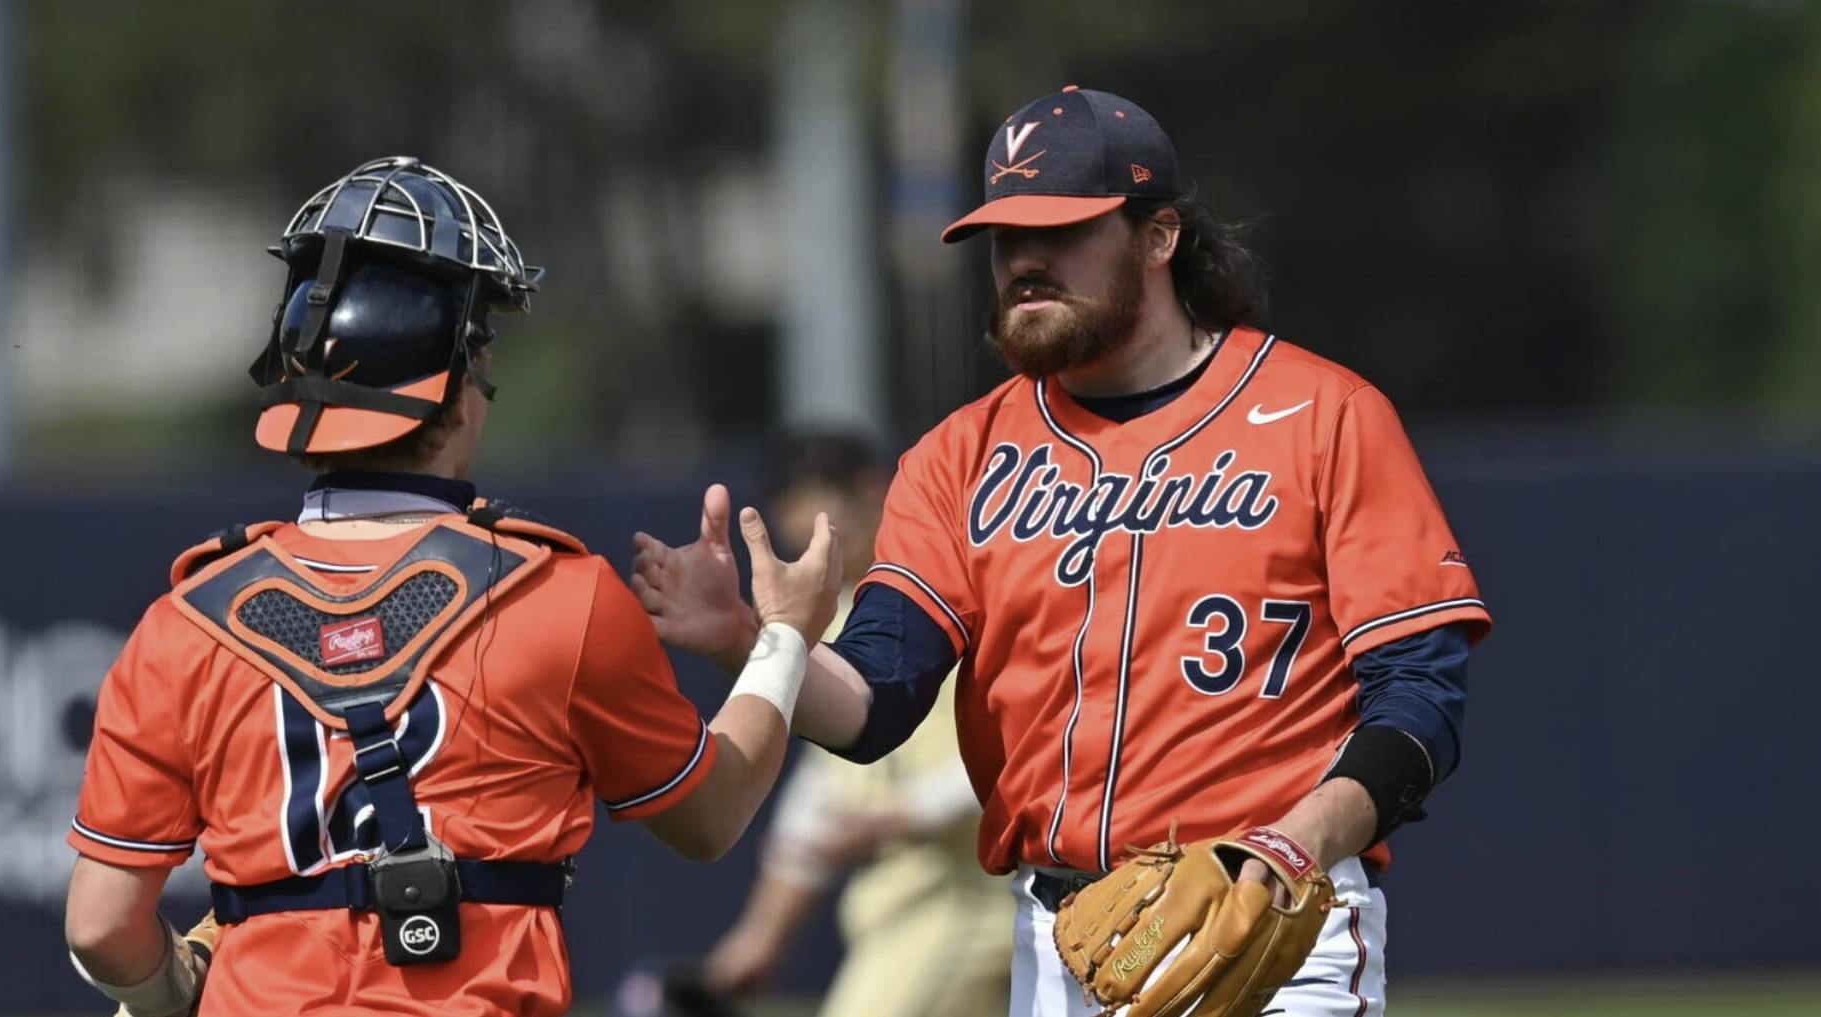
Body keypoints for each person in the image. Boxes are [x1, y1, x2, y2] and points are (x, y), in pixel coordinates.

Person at [631, 87, 1490, 1017]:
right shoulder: (958, 457)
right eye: (1005, 238)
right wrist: (756, 644)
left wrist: (1297, 842)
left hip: (1272, 918)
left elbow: (1420, 698)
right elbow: (876, 703)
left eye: (1061, 229)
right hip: (1060, 942)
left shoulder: (1324, 416)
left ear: (1158, 237)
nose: (1025, 261)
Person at [61, 156, 841, 1017]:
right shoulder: (559, 595)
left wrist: (175, 992)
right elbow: (712, 813)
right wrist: (782, 635)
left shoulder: (183, 622)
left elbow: (101, 924)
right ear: (461, 391)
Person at [698, 433, 1014, 1017]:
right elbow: (823, 789)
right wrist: (762, 933)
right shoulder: (841, 614)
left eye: (824, 524)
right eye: (800, 535)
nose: (814, 548)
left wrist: (901, 816)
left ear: (874, 492)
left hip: (972, 900)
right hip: (897, 908)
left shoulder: (964, 592)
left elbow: (1028, 748)